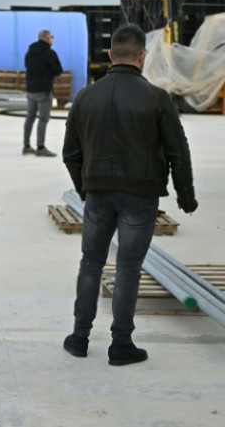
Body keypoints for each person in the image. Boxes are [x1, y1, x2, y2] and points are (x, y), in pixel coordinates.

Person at [62, 24, 197, 366]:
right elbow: (177, 152)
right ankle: (121, 344)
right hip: (141, 194)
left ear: (110, 56)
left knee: (90, 263)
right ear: (142, 56)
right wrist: (186, 195)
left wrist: (86, 186)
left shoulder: (85, 97)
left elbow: (70, 153)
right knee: (128, 268)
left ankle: (79, 337)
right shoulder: (157, 97)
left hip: (98, 193)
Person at [23, 29, 63, 157]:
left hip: (30, 90)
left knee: (30, 117)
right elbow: (58, 70)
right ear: (47, 39)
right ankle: (40, 147)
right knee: (43, 119)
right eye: (51, 37)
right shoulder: (49, 53)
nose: (52, 40)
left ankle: (26, 146)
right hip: (44, 91)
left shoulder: (30, 52)